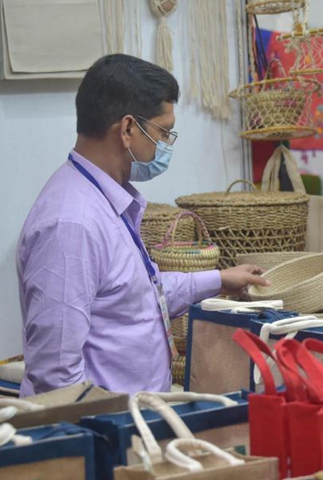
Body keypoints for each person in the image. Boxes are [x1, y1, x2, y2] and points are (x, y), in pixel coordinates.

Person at [17, 55, 269, 396]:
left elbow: (132, 294)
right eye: (163, 131)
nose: (166, 145)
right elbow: (56, 374)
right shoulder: (71, 224)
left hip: (136, 418)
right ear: (127, 129)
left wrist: (219, 280)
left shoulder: (105, 198)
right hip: (106, 431)